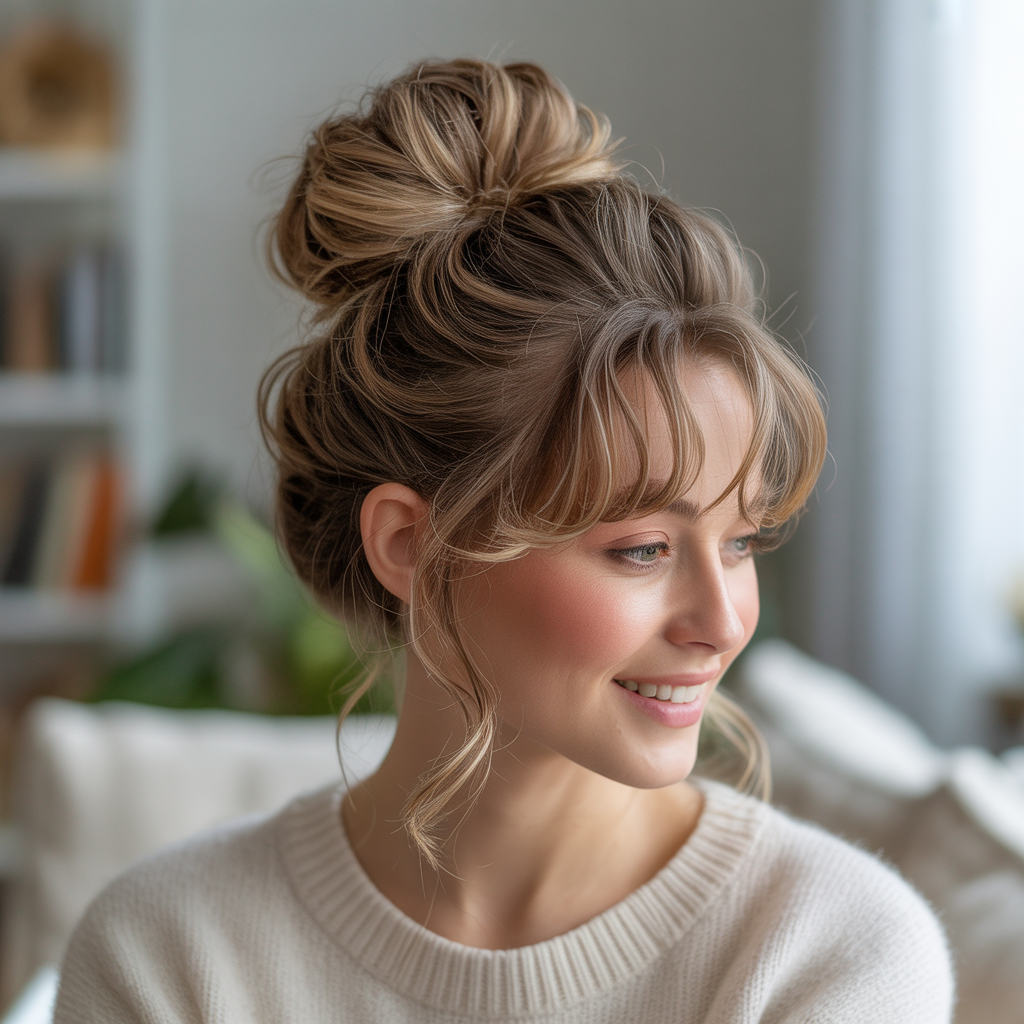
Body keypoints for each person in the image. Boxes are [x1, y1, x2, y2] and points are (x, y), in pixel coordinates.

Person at [55, 58, 953, 1023]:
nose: (723, 620)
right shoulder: (169, 956)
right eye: (643, 548)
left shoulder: (831, 955)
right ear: (408, 543)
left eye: (741, 542)